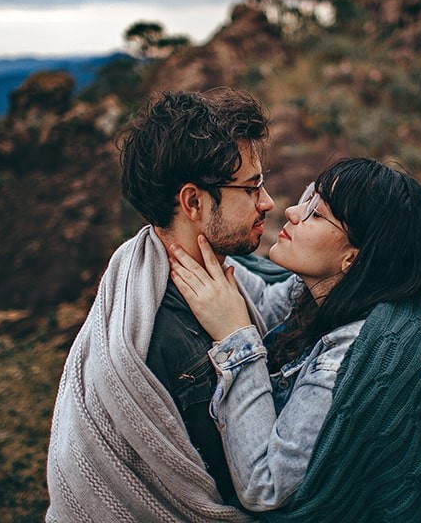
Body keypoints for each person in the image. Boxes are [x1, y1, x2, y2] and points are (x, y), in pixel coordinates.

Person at [46, 88, 294, 522]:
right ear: (193, 202)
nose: (267, 202)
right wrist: (239, 340)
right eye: (252, 187)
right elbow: (244, 485)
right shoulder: (175, 341)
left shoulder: (191, 274)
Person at [168, 157, 421, 522]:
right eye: (306, 200)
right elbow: (258, 302)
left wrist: (234, 337)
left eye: (316, 214)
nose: (291, 212)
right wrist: (183, 233)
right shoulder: (328, 290)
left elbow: (265, 485)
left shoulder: (349, 359)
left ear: (353, 257)